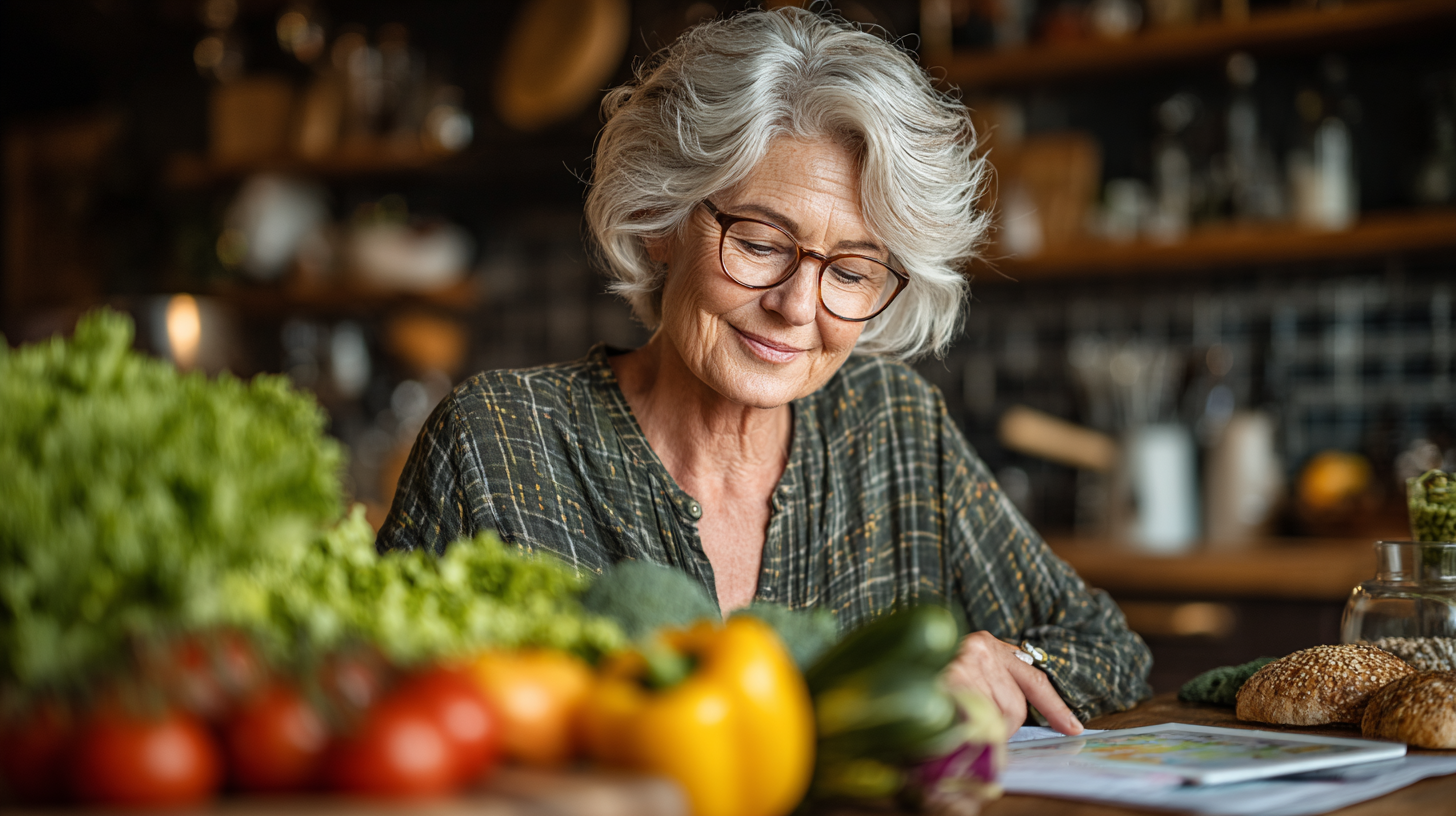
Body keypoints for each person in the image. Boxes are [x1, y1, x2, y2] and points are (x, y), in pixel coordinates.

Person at [378, 7, 1151, 735]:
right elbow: (363, 712)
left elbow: (1107, 648)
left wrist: (1014, 663)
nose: (796, 306)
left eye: (850, 271)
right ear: (662, 223)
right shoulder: (497, 443)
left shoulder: (894, 426)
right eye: (759, 242)